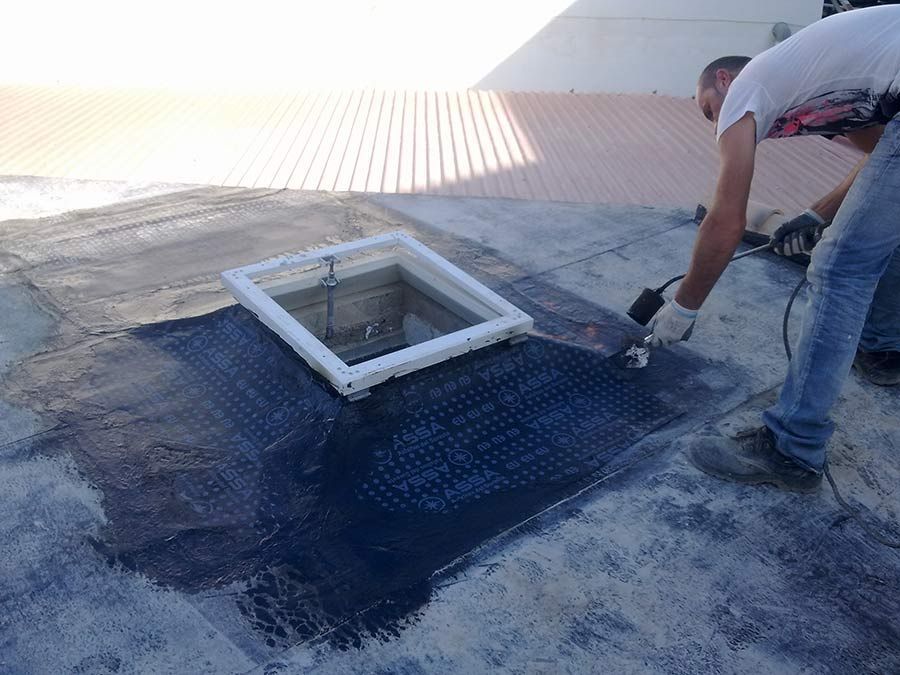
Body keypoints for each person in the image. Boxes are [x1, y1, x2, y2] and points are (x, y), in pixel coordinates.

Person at [648, 5, 900, 492]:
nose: (713, 125)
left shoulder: (749, 85)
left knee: (839, 270)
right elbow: (879, 159)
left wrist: (683, 307)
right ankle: (885, 350)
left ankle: (793, 446)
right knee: (881, 235)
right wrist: (817, 213)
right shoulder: (828, 84)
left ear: (723, 80)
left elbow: (726, 219)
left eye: (707, 109)